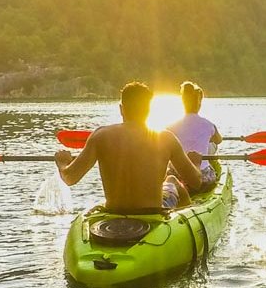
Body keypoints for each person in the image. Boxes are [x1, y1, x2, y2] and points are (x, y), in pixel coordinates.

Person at [54, 82, 204, 213]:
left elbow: (70, 178)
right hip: (153, 212)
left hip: (114, 212)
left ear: (121, 109)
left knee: (170, 180)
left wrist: (63, 162)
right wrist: (196, 162)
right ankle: (182, 225)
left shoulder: (100, 136)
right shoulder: (166, 138)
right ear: (149, 109)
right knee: (172, 181)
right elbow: (196, 182)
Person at [162, 81, 221, 192]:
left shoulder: (170, 127)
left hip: (178, 176)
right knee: (211, 144)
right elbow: (219, 140)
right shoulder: (208, 124)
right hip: (201, 176)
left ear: (183, 103)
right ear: (199, 104)